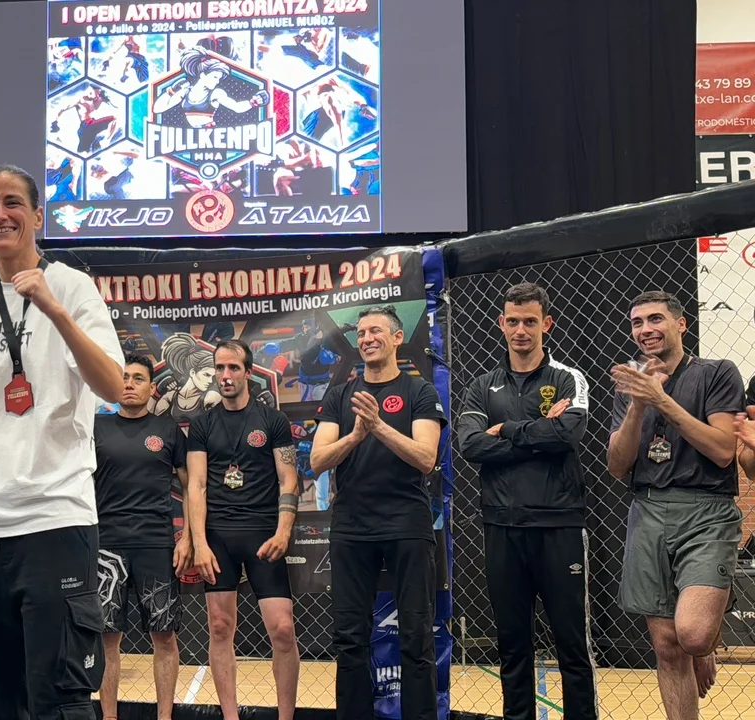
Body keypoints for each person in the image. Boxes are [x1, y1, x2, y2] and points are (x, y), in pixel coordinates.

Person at [0, 165, 124, 720]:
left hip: (53, 517)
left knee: (59, 700)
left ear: (37, 216)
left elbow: (112, 386)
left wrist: (55, 310)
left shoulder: (73, 287)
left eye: (12, 202)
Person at [455, 283, 597, 720]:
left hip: (558, 525)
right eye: (513, 321)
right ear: (501, 323)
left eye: (530, 321)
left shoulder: (568, 378)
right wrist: (538, 435)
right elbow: (470, 445)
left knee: (572, 645)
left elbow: (568, 434)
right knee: (512, 645)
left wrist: (507, 430)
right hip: (502, 525)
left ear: (546, 324)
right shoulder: (482, 386)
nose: (521, 330)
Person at [607, 290, 744, 716]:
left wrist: (661, 400)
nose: (645, 329)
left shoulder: (716, 372)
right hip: (648, 510)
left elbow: (723, 450)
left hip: (706, 507)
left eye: (655, 319)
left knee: (694, 635)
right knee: (667, 645)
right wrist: (638, 404)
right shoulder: (631, 383)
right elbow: (617, 465)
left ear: (681, 324)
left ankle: (710, 624)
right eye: (637, 322)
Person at [309, 305, 445, 720]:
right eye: (362, 332)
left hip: (407, 524)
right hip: (352, 527)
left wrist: (379, 426)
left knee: (416, 636)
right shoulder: (340, 395)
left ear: (397, 338)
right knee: (350, 638)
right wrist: (355, 434)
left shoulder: (420, 392)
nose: (367, 338)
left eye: (376, 331)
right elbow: (317, 460)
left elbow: (426, 458)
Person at [187, 340, 300, 720]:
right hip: (218, 536)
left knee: (282, 629)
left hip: (264, 534)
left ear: (248, 372)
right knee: (220, 627)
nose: (225, 375)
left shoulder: (273, 420)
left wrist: (283, 532)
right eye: (219, 368)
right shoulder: (202, 424)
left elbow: (288, 480)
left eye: (233, 367)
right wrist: (199, 543)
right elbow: (196, 486)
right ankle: (230, 716)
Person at [93, 354, 191, 720]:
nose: (129, 384)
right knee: (107, 638)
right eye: (124, 377)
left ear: (152, 387)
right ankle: (109, 716)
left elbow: (192, 487)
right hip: (106, 548)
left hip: (156, 544)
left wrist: (188, 538)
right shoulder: (95, 427)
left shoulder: (168, 430)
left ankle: (164, 716)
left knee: (164, 636)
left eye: (138, 378)